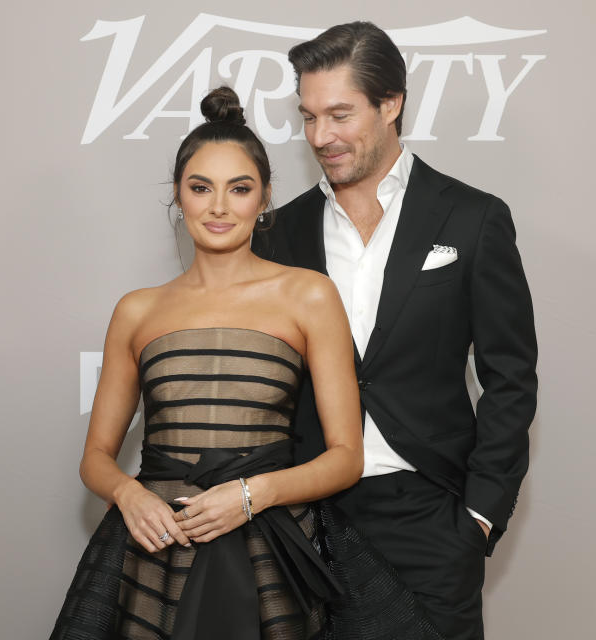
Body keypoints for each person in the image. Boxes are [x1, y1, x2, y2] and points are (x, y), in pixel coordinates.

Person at [252, 22, 539, 640]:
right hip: (303, 523)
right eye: (308, 117)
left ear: (391, 103)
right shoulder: (279, 233)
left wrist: (479, 518)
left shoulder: (473, 218)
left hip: (429, 518)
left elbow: (510, 378)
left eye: (339, 114)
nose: (321, 137)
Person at [49, 87, 365, 640]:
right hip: (156, 549)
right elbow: (96, 458)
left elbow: (346, 458)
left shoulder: (309, 296)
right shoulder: (137, 310)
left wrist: (251, 495)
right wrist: (128, 494)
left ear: (264, 199)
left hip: (268, 549)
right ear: (179, 196)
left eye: (239, 189)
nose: (219, 206)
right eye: (201, 188)